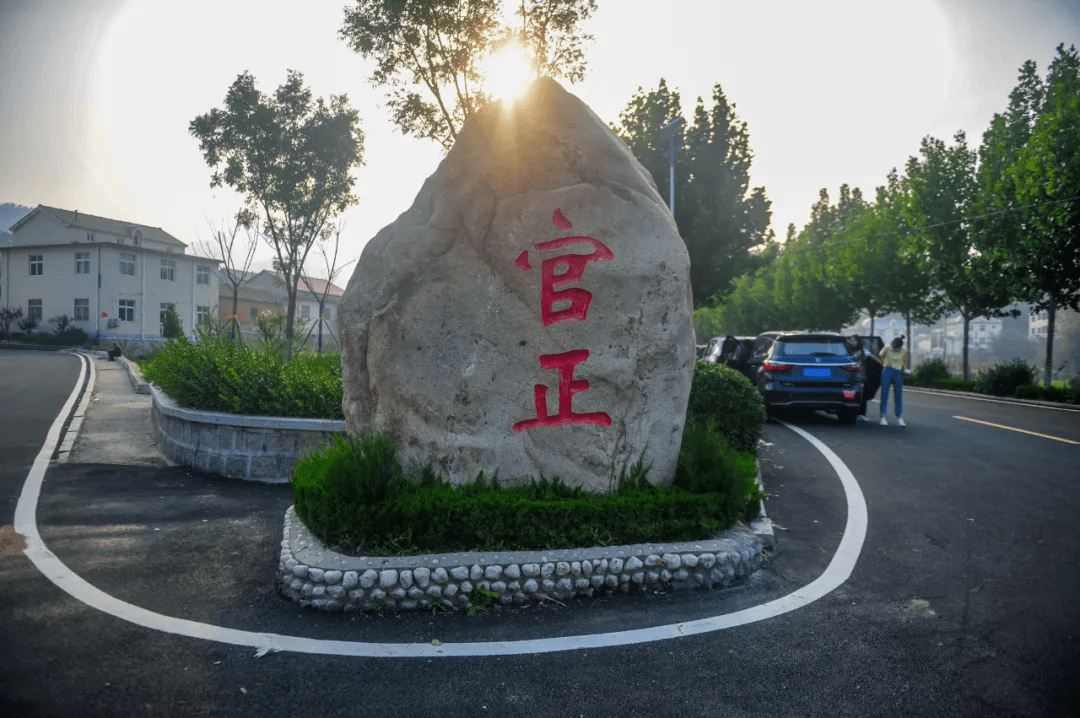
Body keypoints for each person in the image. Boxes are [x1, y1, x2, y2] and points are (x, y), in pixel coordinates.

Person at [846, 335, 882, 422]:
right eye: (851, 340)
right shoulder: (847, 350)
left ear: (858, 341)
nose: (852, 342)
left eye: (854, 340)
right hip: (849, 376)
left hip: (861, 376)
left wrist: (882, 365)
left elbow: (874, 358)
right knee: (850, 395)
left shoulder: (863, 351)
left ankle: (861, 414)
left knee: (863, 396)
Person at [879, 336, 908, 426]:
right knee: (884, 393)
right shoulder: (887, 348)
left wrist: (903, 368)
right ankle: (883, 417)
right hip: (887, 370)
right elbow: (881, 356)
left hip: (898, 371)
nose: (895, 348)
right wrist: (885, 364)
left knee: (898, 395)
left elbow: (905, 361)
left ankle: (899, 418)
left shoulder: (904, 350)